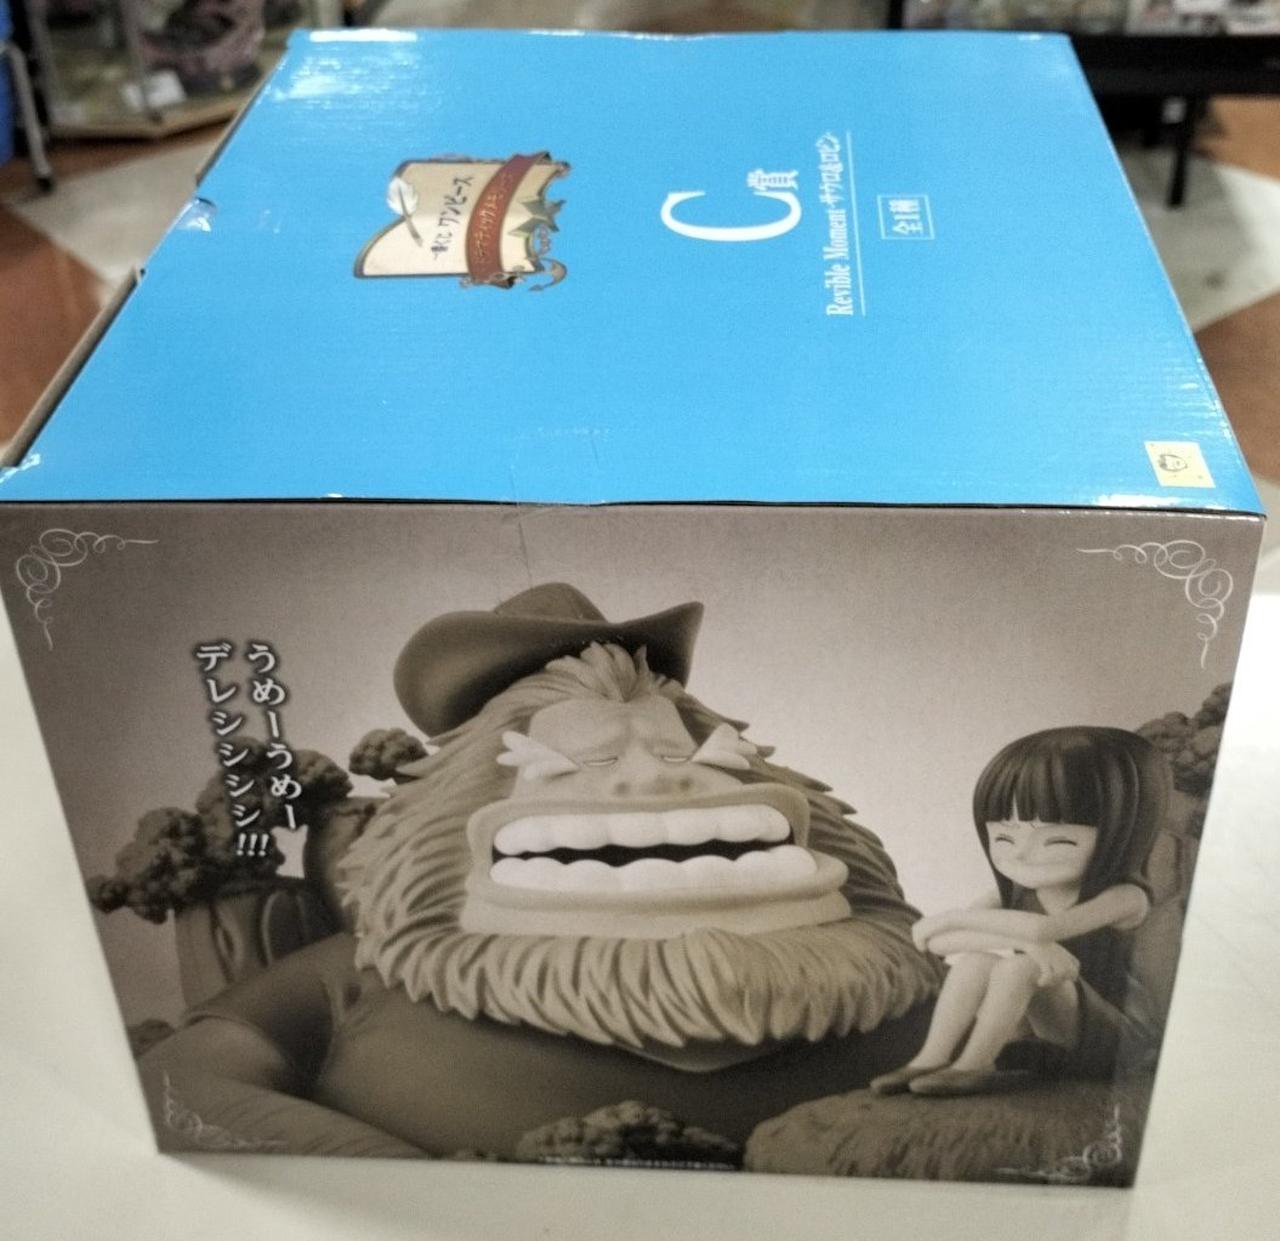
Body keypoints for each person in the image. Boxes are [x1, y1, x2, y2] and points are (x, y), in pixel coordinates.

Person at [870, 726, 1169, 1098]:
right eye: (1004, 837)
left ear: (1122, 833)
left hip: (1117, 1043)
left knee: (1020, 968)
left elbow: (1042, 930)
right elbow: (940, 944)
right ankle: (931, 1058)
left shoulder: (1125, 897)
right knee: (975, 962)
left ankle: (975, 1064)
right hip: (1043, 1032)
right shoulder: (1016, 896)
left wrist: (951, 918)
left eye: (1057, 840)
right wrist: (1028, 946)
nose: (1022, 853)